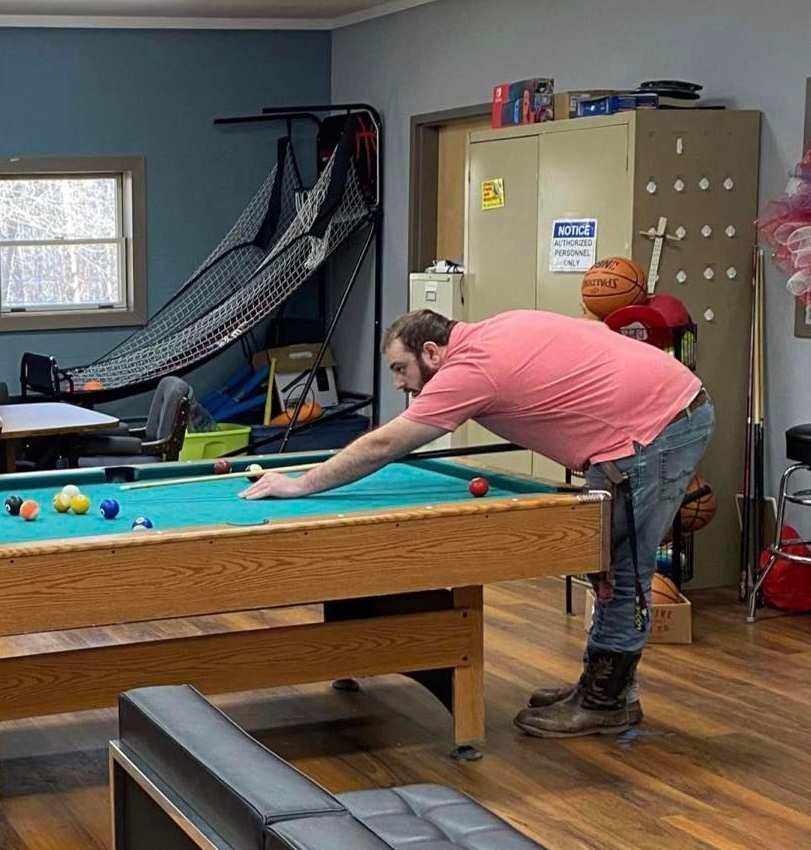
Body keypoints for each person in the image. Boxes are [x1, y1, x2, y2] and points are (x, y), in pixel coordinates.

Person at [243, 306, 714, 737]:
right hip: (666, 410)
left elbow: (384, 446)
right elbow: (590, 334)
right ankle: (602, 686)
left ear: (431, 352)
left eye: (400, 369)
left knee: (620, 564)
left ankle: (605, 700)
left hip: (656, 428)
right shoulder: (497, 327)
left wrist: (301, 484)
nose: (400, 384)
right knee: (606, 557)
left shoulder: (467, 370)